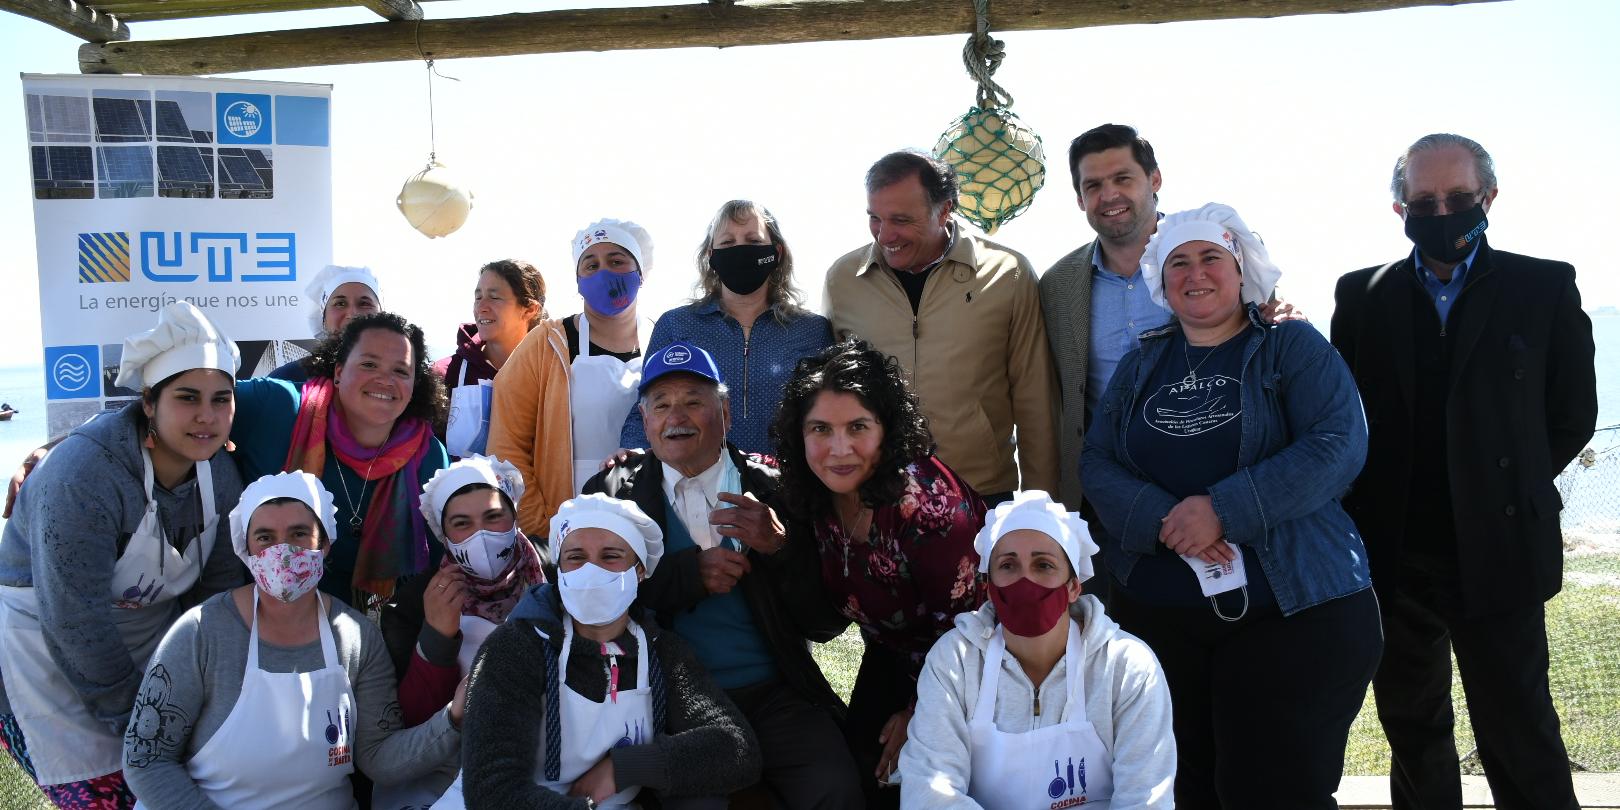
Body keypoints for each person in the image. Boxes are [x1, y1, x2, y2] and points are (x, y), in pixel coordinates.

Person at [1081, 203, 1380, 808]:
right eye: (1179, 262)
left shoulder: (1289, 345)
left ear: (1241, 269)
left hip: (1293, 614)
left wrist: (1223, 508)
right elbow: (1097, 461)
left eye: (1212, 258)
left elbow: (1339, 443)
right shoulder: (1143, 362)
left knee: (1268, 791)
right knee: (1187, 789)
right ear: (1160, 282)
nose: (1196, 273)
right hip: (1166, 625)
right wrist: (1167, 519)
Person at [1330, 134, 1596, 810]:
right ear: (1399, 208)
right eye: (1424, 200)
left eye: (1456, 198)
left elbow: (1571, 417)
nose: (1440, 211)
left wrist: (1501, 488)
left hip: (1501, 548)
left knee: (1520, 730)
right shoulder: (1361, 297)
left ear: (1489, 198)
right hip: (1394, 557)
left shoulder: (1544, 286)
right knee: (1413, 731)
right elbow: (1342, 421)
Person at [585, 342, 862, 808]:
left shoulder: (779, 489)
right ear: (645, 420)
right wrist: (686, 576)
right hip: (670, 702)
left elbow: (826, 623)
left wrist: (780, 548)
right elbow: (588, 605)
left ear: (726, 413)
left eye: (694, 401)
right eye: (662, 404)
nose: (677, 417)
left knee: (836, 789)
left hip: (776, 694)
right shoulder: (613, 494)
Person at [0, 302, 244, 809]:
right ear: (149, 404)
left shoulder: (218, 474)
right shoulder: (86, 475)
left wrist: (198, 693)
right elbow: (74, 621)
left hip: (146, 641)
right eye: (187, 397)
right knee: (110, 794)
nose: (207, 415)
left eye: (222, 399)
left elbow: (215, 595)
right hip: (45, 650)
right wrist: (146, 722)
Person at [122, 471, 463, 809]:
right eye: (265, 538)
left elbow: (379, 758)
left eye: (299, 534)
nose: (282, 552)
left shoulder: (358, 638)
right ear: (246, 550)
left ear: (325, 543)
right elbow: (147, 761)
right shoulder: (200, 633)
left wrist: (453, 718)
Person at [770, 337, 986, 806]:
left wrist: (920, 713)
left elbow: (971, 631)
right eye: (820, 428)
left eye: (858, 427)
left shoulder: (929, 510)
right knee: (859, 772)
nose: (839, 448)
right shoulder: (816, 491)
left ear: (887, 429)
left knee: (919, 782)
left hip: (972, 664)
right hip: (892, 654)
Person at [459, 493, 761, 809]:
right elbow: (490, 791)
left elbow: (737, 747)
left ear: (639, 571)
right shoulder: (515, 647)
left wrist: (624, 767)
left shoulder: (661, 653)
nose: (592, 571)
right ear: (559, 570)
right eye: (575, 557)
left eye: (610, 556)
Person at [900, 491, 1175, 808]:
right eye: (1008, 565)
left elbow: (1145, 799)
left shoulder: (1127, 667)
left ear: (1073, 587)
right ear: (989, 587)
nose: (1025, 581)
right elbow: (929, 791)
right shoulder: (954, 662)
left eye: (1043, 565)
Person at [823, 150, 1057, 506]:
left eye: (900, 220)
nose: (885, 236)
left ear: (945, 209)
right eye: (875, 218)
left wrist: (1043, 509)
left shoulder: (1008, 274)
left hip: (981, 494)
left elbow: (1034, 398)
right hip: (875, 497)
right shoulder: (843, 279)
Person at [231, 311, 450, 608]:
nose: (385, 380)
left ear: (414, 385)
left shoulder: (428, 456)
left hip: (364, 633)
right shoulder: (276, 406)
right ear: (338, 372)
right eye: (369, 364)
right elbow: (197, 397)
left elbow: (434, 563)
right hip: (261, 616)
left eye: (401, 371)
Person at [369, 454, 549, 808]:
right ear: (444, 535)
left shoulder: (553, 574)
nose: (480, 535)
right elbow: (410, 724)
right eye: (462, 523)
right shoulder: (413, 603)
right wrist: (437, 637)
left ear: (514, 516)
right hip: (445, 784)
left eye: (494, 517)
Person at [488, 219, 654, 552]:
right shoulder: (547, 343)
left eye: (617, 261)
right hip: (563, 529)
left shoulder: (660, 340)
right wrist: (545, 525)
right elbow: (506, 447)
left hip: (645, 523)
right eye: (591, 265)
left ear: (640, 273)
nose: (604, 272)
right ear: (578, 281)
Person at [619, 200, 833, 455]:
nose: (740, 250)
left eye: (753, 241)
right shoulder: (676, 325)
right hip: (695, 484)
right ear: (711, 255)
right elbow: (646, 405)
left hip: (788, 485)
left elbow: (830, 414)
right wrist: (632, 457)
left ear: (776, 252)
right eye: (728, 243)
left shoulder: (812, 330)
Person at [434, 259, 545, 459]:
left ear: (529, 310)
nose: (481, 307)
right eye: (478, 297)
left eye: (494, 298)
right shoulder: (444, 374)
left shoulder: (552, 375)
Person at [271, 264, 384, 383]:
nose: (352, 314)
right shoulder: (288, 378)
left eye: (364, 304)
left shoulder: (400, 377)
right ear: (323, 319)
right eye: (340, 303)